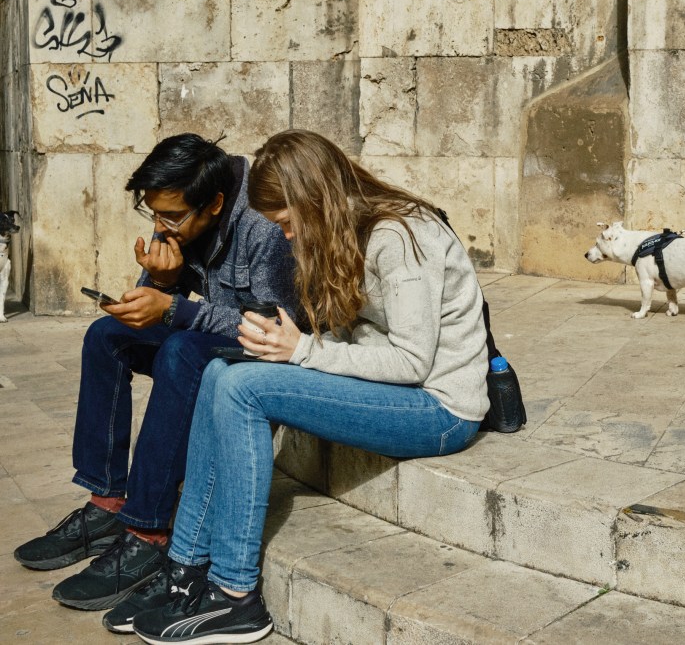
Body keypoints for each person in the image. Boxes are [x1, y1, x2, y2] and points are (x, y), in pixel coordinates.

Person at [115, 129, 489, 644]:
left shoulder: (403, 238)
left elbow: (412, 361)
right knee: (222, 370)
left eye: (288, 225)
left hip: (440, 409)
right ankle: (185, 568)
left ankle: (234, 594)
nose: (286, 238)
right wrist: (280, 341)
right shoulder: (344, 234)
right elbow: (348, 333)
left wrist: (301, 351)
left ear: (318, 201)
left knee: (245, 387)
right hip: (395, 392)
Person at [13, 134, 297, 614]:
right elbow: (165, 306)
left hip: (272, 351)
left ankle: (149, 530)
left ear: (215, 204)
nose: (163, 226)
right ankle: (107, 504)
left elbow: (273, 326)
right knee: (106, 336)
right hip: (211, 332)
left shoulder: (262, 227)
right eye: (154, 214)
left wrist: (179, 310)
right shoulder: (183, 220)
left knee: (182, 353)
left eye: (172, 217)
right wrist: (160, 283)